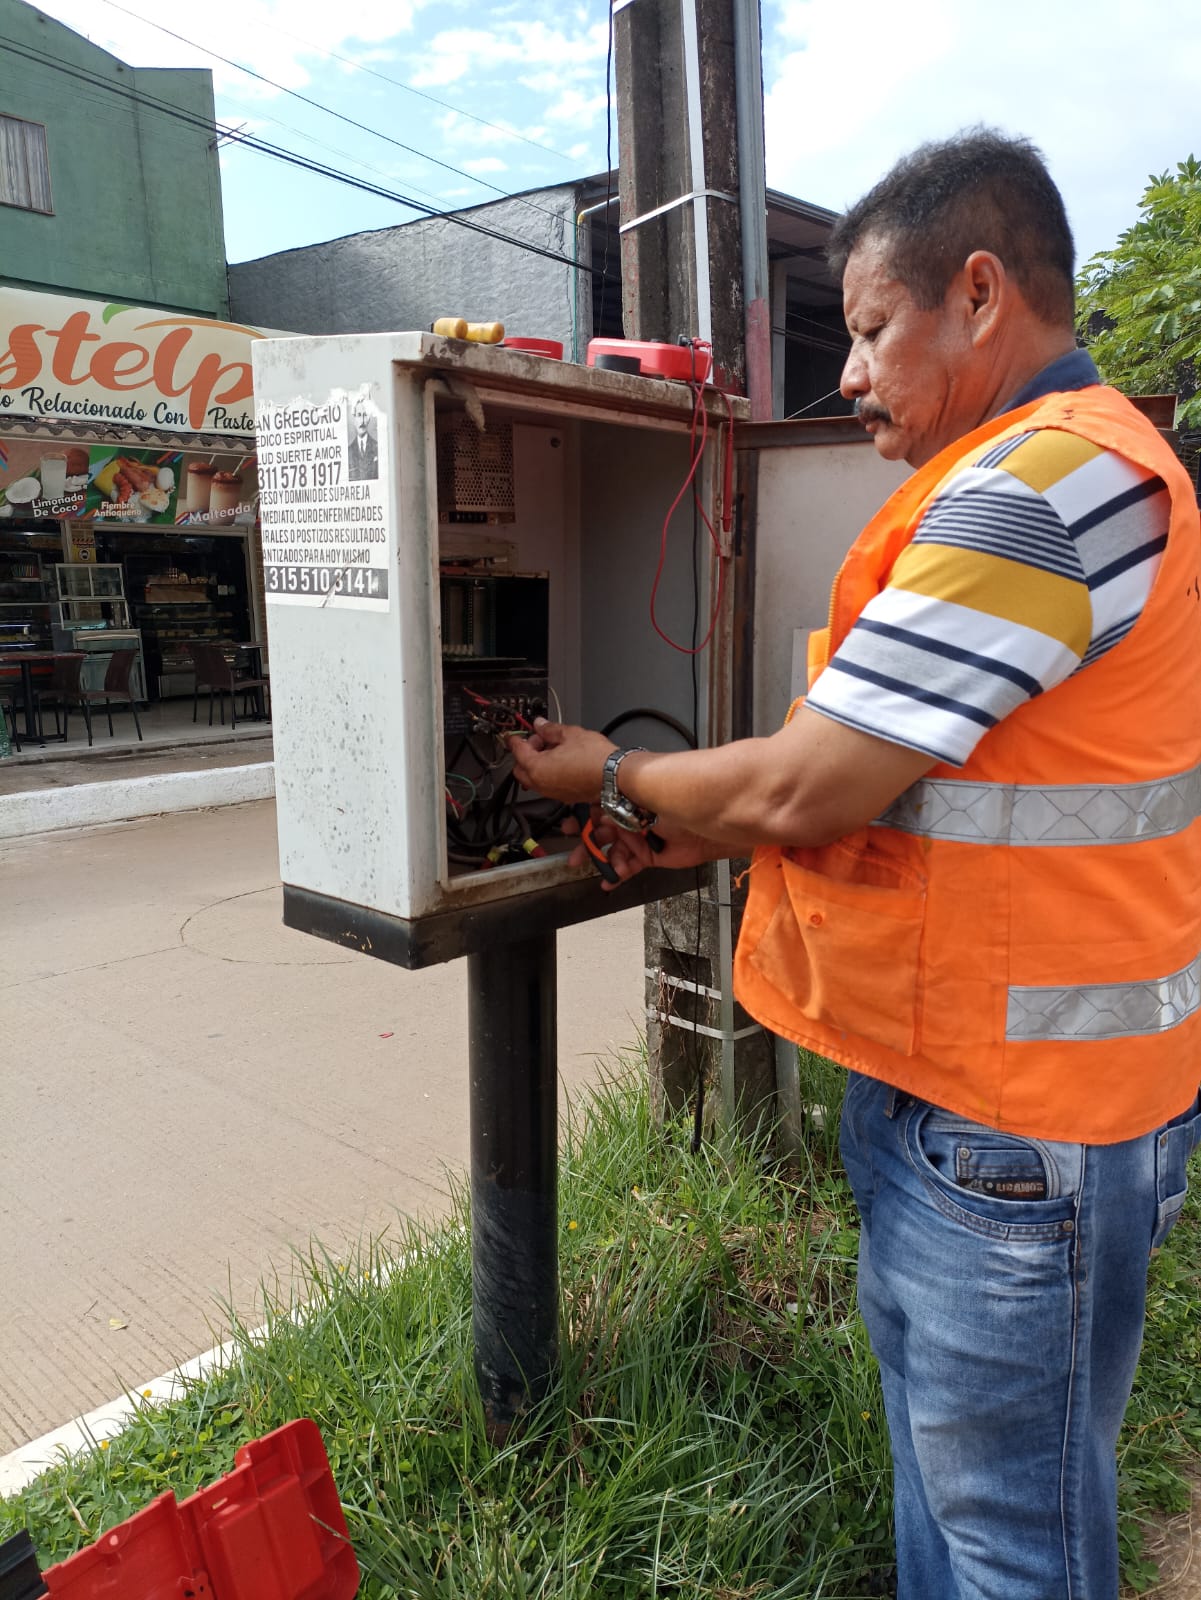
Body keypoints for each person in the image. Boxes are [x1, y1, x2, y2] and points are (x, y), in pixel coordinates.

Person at [509, 128, 1201, 1600]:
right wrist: (694, 818)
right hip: (969, 1104)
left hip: (1016, 1131)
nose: (849, 372)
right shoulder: (1040, 484)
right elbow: (916, 792)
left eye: (875, 331)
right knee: (954, 1524)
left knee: (1009, 1545)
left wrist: (615, 774)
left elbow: (814, 778)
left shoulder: (1039, 489)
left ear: (978, 295)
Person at [347, 392, 378, 481]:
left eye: (365, 415)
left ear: (368, 419)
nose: (362, 421)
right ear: (354, 420)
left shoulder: (377, 447)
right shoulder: (349, 451)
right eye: (359, 415)